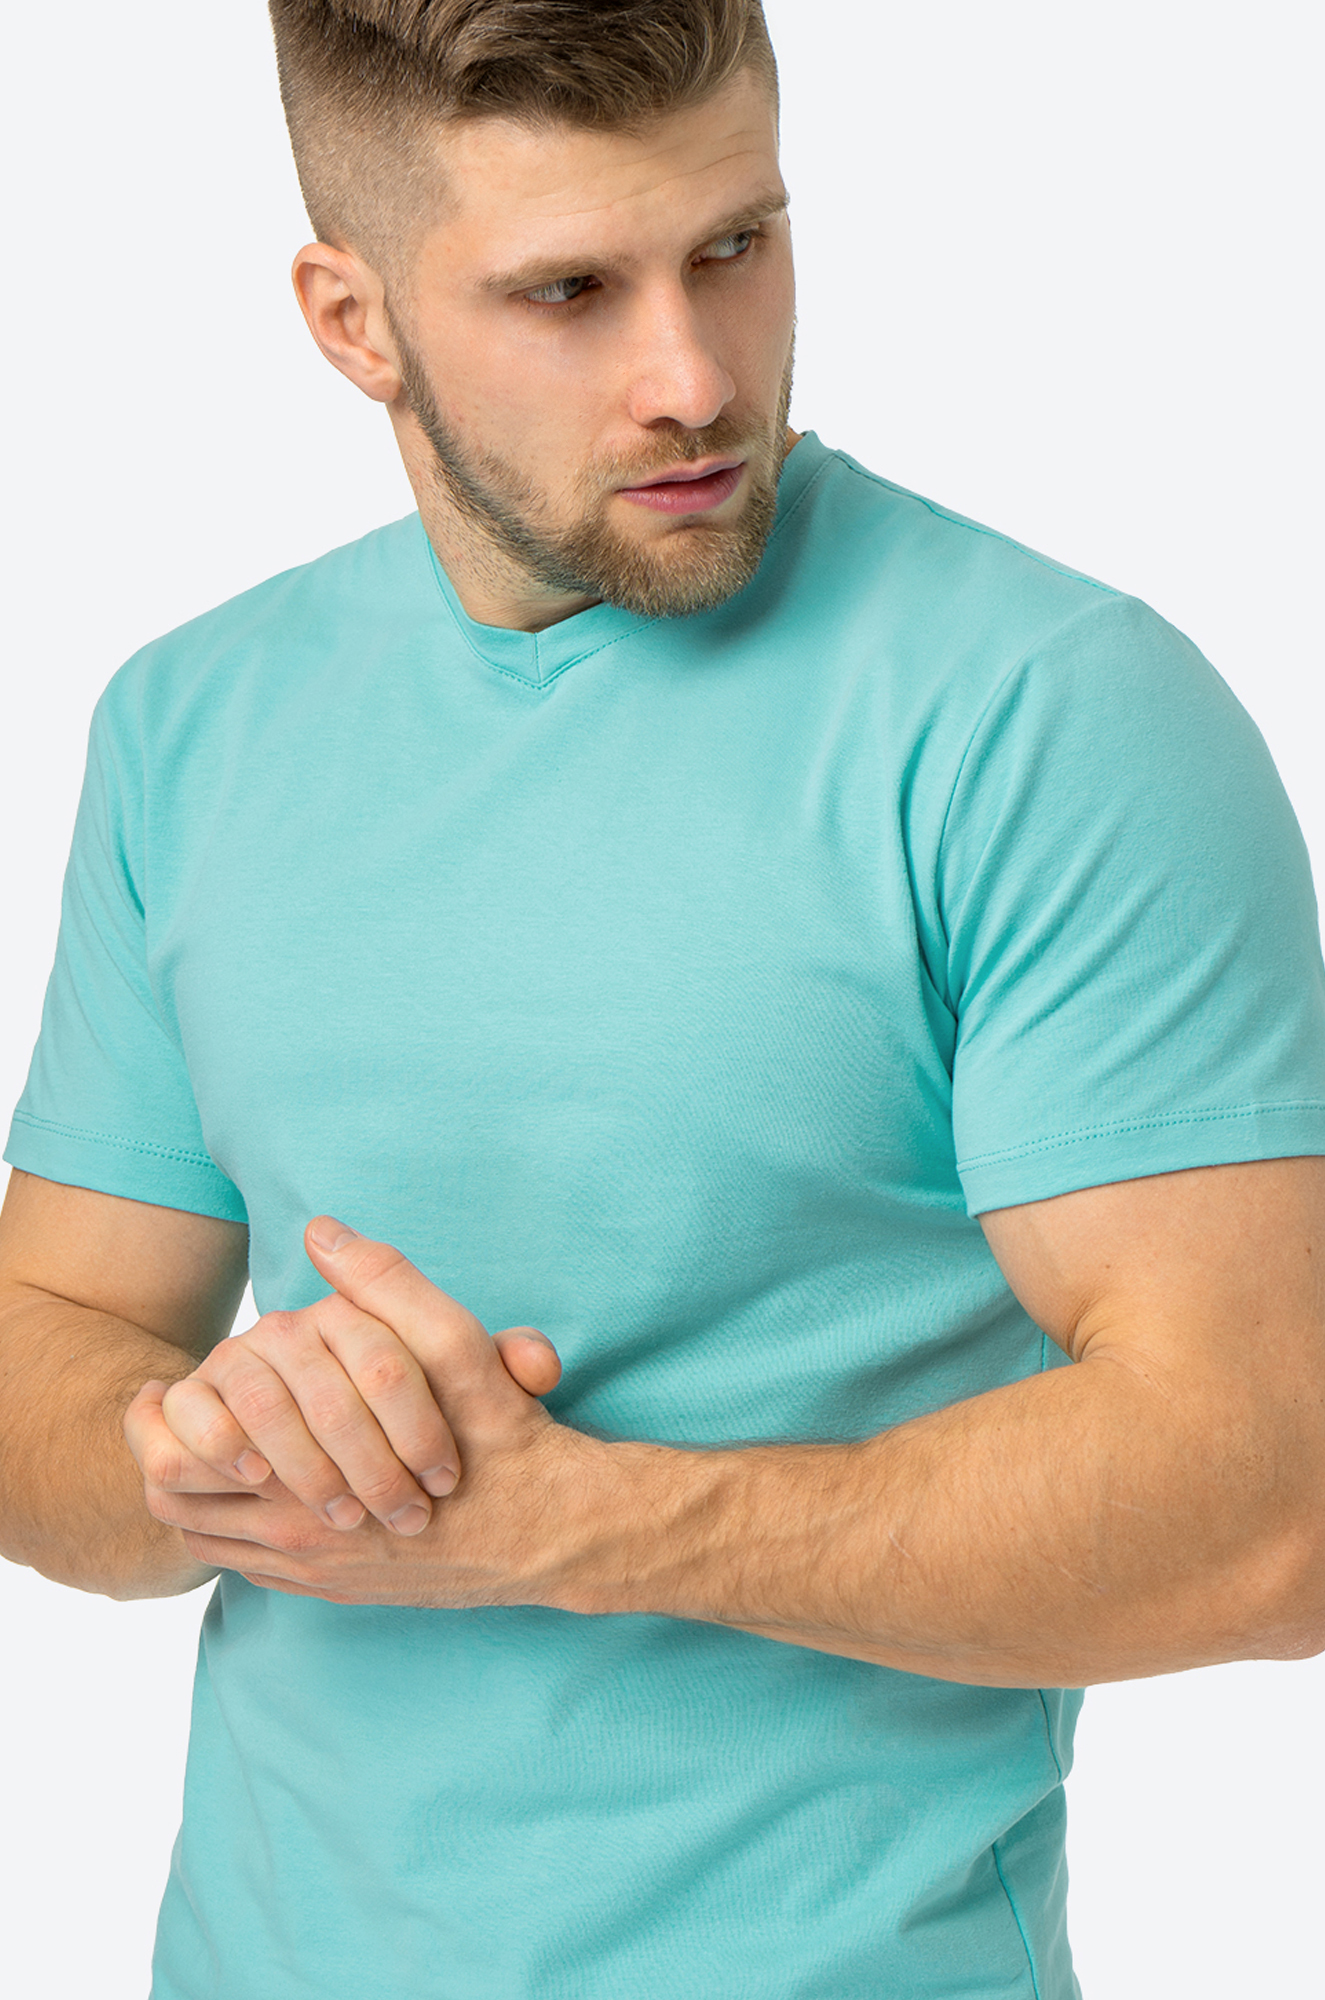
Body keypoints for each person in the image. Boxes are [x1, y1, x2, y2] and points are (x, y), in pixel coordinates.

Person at [2, 1, 1324, 1994]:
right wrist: (189, 1450)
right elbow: (46, 1351)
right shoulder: (189, 724)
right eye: (569, 293)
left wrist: (577, 1522)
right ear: (353, 322)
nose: (695, 379)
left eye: (735, 246)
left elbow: (1273, 1504)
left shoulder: (1046, 714)